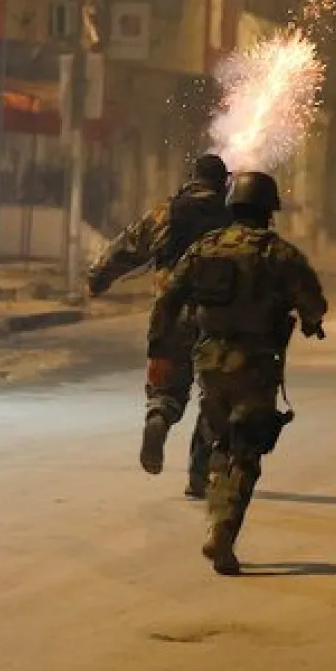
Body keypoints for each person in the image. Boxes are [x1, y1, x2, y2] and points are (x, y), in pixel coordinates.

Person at [148, 171, 327, 575]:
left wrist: (160, 350)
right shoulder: (278, 254)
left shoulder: (205, 248)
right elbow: (313, 302)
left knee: (218, 445)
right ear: (268, 211)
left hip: (209, 364)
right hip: (256, 368)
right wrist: (312, 321)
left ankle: (217, 523)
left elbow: (168, 300)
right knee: (245, 451)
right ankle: (222, 532)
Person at [86, 153, 231, 498]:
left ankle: (159, 417)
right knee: (215, 398)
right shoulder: (233, 219)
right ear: (223, 183)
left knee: (168, 387)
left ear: (191, 179)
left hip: (170, 315)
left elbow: (127, 246)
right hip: (218, 321)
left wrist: (97, 278)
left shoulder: (167, 212)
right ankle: (199, 475)